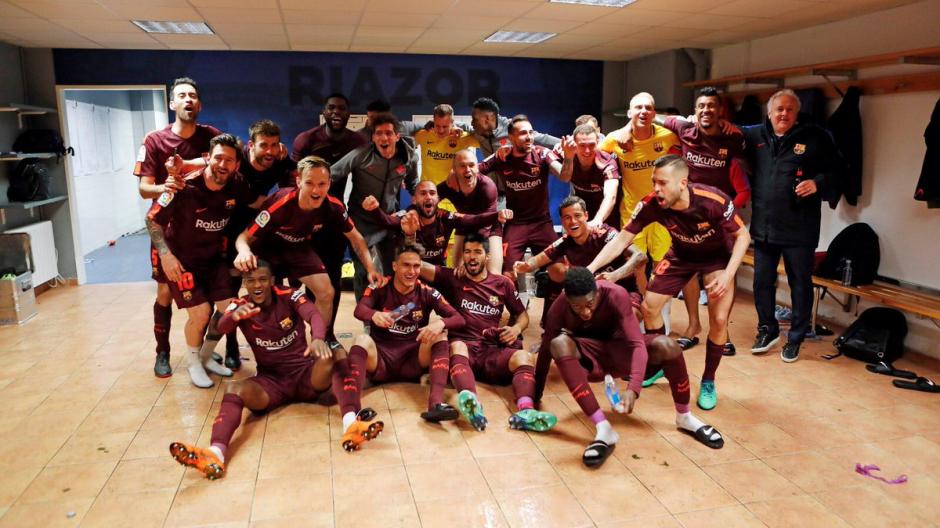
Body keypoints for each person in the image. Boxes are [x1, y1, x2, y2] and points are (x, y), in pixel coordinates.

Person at [586, 155, 750, 410]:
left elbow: (743, 236)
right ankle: (659, 364)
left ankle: (708, 380)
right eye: (654, 182)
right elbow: (620, 241)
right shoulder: (651, 204)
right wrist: (590, 269)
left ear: (682, 183)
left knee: (718, 320)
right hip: (680, 256)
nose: (656, 189)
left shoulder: (713, 200)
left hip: (717, 260)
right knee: (650, 307)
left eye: (662, 183)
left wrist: (728, 275)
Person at [168, 260, 342, 479]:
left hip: (305, 376)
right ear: (245, 283)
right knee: (233, 389)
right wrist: (235, 317)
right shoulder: (240, 304)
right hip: (272, 383)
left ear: (271, 281)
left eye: (262, 279)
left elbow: (314, 314)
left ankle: (351, 420)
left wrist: (318, 338)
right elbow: (222, 326)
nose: (257, 285)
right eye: (250, 281)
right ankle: (215, 453)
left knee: (334, 356)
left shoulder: (290, 294)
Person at [537, 268, 724, 468]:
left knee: (668, 346)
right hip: (591, 361)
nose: (585, 312)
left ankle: (684, 417)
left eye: (590, 304)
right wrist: (532, 398)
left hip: (621, 354)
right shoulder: (558, 308)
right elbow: (545, 353)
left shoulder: (615, 294)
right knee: (558, 344)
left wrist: (633, 389)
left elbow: (637, 345)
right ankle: (603, 428)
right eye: (577, 307)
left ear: (597, 292)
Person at [145, 133, 264, 388]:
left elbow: (258, 202)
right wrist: (166, 256)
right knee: (200, 314)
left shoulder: (237, 183)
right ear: (207, 158)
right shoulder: (181, 186)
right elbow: (152, 220)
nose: (223, 165)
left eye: (229, 160)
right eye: (218, 158)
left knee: (229, 311)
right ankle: (193, 363)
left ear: (237, 165)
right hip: (181, 262)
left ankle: (207, 355)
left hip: (213, 259)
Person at [743, 89, 844, 362]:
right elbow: (722, 133)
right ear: (769, 112)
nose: (784, 114)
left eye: (789, 110)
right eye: (779, 109)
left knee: (800, 283)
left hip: (800, 229)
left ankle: (796, 338)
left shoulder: (816, 137)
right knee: (762, 282)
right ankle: (767, 329)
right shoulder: (755, 135)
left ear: (796, 113)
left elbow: (838, 170)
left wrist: (817, 183)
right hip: (764, 227)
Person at [419, 233, 557, 432]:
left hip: (492, 350)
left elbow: (523, 316)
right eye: (467, 252)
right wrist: (407, 238)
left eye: (477, 252)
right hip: (465, 350)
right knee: (456, 345)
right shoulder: (452, 278)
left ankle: (526, 411)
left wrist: (516, 328)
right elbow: (420, 266)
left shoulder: (502, 284)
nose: (472, 257)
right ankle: (472, 404)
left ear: (488, 256)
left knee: (524, 357)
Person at [233, 156, 382, 340]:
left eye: (321, 184)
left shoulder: (333, 206)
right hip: (268, 251)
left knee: (327, 292)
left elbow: (356, 238)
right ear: (299, 182)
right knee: (269, 300)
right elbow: (244, 237)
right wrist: (244, 251)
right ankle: (271, 343)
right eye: (309, 183)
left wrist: (370, 268)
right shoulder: (280, 203)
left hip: (298, 249)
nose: (316, 190)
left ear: (329, 184)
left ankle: (320, 341)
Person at [332, 244, 466, 445]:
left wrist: (440, 323)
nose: (412, 272)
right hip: (382, 361)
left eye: (416, 266)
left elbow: (459, 319)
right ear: (394, 266)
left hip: (413, 360)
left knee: (441, 335)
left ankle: (435, 404)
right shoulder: (380, 287)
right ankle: (354, 413)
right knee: (360, 340)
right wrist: (374, 315)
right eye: (406, 265)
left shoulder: (427, 292)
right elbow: (359, 310)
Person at [134, 77, 221, 378]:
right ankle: (162, 352)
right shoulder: (154, 140)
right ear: (172, 104)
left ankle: (207, 349)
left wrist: (185, 165)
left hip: (200, 228)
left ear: (200, 105)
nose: (188, 100)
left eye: (193, 96)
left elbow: (219, 161)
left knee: (208, 294)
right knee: (164, 293)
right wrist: (166, 186)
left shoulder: (211, 135)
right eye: (182, 95)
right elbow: (144, 189)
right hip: (166, 228)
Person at [291, 93, 369, 341]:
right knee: (296, 284)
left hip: (334, 218)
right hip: (302, 219)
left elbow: (365, 177)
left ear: (349, 114)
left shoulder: (358, 141)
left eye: (342, 109)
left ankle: (327, 334)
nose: (337, 112)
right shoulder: (307, 139)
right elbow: (291, 179)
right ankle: (295, 335)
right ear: (324, 111)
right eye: (332, 108)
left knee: (332, 283)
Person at [222, 119, 297, 370]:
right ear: (251, 145)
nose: (270, 151)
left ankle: (280, 339)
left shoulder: (279, 160)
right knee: (231, 290)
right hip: (231, 229)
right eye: (264, 145)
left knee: (274, 284)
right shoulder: (237, 160)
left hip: (261, 230)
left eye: (274, 145)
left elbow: (297, 178)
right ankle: (231, 347)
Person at [600, 92, 681, 298]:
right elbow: (591, 155)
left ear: (654, 112)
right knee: (637, 262)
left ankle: (659, 310)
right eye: (638, 107)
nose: (643, 111)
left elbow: (690, 127)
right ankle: (643, 306)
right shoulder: (614, 139)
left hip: (663, 213)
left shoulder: (668, 136)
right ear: (629, 113)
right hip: (632, 212)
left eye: (648, 108)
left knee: (662, 264)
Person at [331, 112, 419, 300]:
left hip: (388, 220)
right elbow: (331, 174)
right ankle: (368, 322)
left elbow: (414, 185)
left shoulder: (408, 156)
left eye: (388, 133)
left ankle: (390, 315)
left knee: (392, 269)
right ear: (372, 137)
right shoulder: (360, 154)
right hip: (361, 221)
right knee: (363, 272)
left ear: (397, 136)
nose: (383, 138)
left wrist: (420, 208)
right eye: (378, 133)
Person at [478, 115, 560, 280]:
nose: (529, 137)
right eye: (523, 133)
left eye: (531, 132)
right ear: (511, 137)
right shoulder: (502, 156)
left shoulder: (542, 154)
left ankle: (550, 303)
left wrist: (567, 153)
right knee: (508, 275)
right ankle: (516, 305)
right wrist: (487, 194)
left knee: (560, 270)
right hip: (516, 224)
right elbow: (474, 171)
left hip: (542, 223)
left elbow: (563, 173)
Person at [362, 180, 509, 266]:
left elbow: (473, 220)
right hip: (413, 272)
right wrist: (374, 209)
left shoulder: (445, 217)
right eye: (423, 193)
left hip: (438, 272)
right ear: (414, 199)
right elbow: (386, 221)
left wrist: (497, 215)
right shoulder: (407, 217)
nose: (428, 197)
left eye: (432, 193)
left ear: (438, 199)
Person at [438, 149, 504, 273]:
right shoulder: (449, 185)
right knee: (457, 272)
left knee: (493, 275)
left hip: (489, 227)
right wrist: (436, 210)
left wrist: (471, 258)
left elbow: (485, 225)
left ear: (477, 167)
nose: (467, 170)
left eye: (471, 165)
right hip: (464, 225)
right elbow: (427, 199)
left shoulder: (488, 187)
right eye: (462, 166)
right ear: (454, 169)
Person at [551, 124, 621, 229]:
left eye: (592, 145)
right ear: (574, 144)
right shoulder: (565, 153)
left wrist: (598, 220)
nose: (587, 151)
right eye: (582, 145)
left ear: (598, 143)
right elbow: (563, 177)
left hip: (606, 214)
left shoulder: (607, 162)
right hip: (580, 212)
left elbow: (611, 196)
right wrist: (568, 158)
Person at [470, 97, 560, 157]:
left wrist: (567, 144)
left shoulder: (514, 129)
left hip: (516, 184)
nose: (472, 123)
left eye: (475, 119)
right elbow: (462, 126)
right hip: (494, 185)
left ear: (487, 118)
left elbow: (543, 139)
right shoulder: (479, 133)